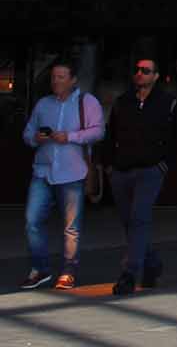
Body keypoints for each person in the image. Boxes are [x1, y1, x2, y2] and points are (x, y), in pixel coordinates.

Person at [20, 60, 105, 291]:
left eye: (60, 77)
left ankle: (69, 270)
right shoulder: (43, 104)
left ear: (73, 80)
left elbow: (98, 131)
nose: (55, 81)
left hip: (72, 172)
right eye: (53, 77)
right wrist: (35, 138)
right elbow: (27, 134)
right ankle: (40, 269)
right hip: (43, 170)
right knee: (32, 221)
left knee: (71, 226)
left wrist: (70, 136)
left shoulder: (86, 102)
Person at [105, 55, 177, 296]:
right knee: (130, 221)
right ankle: (152, 263)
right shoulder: (123, 102)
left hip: (150, 170)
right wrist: (109, 165)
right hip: (122, 170)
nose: (140, 74)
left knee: (139, 219)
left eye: (146, 70)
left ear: (156, 76)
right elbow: (111, 133)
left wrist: (164, 165)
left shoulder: (167, 102)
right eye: (137, 69)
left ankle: (129, 273)